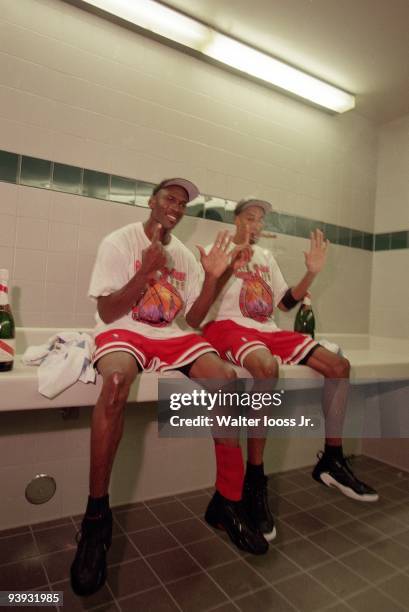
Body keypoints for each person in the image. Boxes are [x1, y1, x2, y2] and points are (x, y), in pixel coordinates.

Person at [70, 180, 269, 598]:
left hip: (170, 336)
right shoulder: (119, 241)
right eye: (169, 198)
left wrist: (217, 276)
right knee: (118, 382)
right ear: (152, 202)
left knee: (228, 381)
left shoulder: (183, 256)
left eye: (182, 202)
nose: (176, 206)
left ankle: (226, 502)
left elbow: (194, 320)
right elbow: (106, 311)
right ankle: (96, 520)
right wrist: (144, 270)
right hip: (122, 331)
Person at [186, 197, 378, 543]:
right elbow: (199, 306)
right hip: (227, 327)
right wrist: (230, 263)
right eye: (249, 217)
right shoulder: (215, 251)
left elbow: (285, 304)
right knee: (265, 366)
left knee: (338, 366)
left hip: (267, 330)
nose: (256, 225)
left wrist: (312, 273)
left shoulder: (266, 257)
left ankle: (332, 459)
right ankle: (255, 478)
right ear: (236, 220)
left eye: (260, 220)